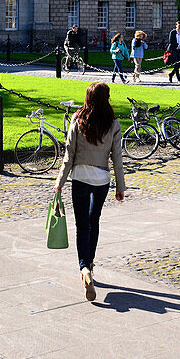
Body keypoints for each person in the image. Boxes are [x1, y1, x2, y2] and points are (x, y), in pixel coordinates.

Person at [54, 82, 126, 302]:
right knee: (94, 221)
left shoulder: (77, 120)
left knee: (81, 224)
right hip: (102, 178)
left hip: (80, 178)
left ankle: (84, 267)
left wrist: (59, 182)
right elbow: (117, 158)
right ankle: (90, 262)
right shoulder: (113, 123)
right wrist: (121, 186)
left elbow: (69, 155)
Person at [166, 20, 180, 84]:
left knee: (179, 64)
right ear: (176, 25)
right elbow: (171, 41)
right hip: (174, 50)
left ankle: (171, 74)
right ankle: (178, 80)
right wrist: (178, 45)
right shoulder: (173, 32)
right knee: (176, 64)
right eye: (179, 25)